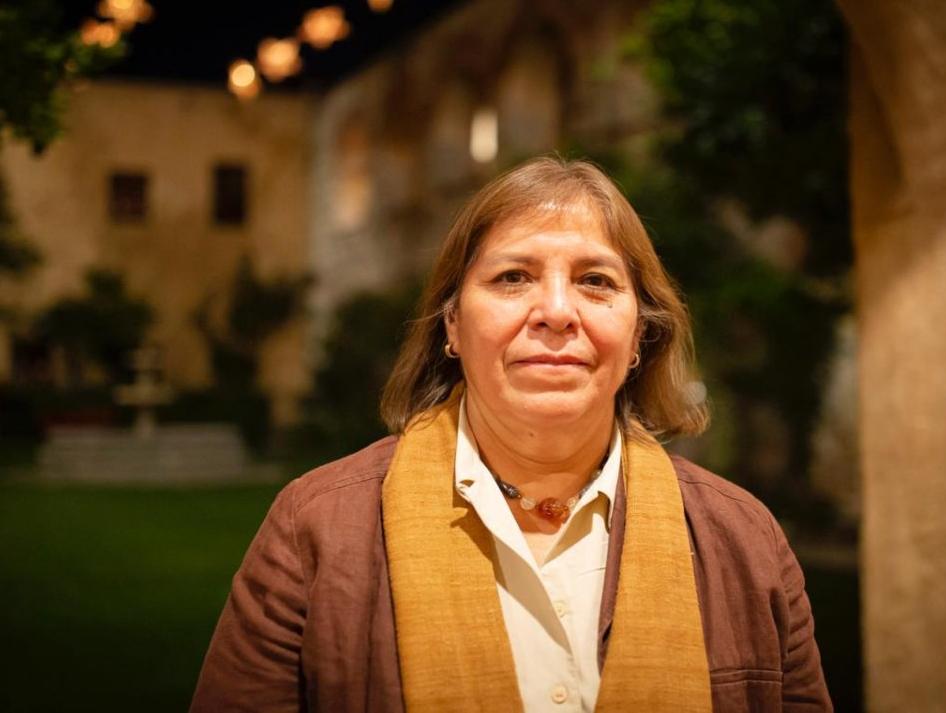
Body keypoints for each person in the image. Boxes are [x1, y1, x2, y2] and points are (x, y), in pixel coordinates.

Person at [190, 156, 832, 712]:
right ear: (452, 326)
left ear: (640, 334)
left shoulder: (745, 540)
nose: (555, 312)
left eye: (596, 281)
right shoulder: (316, 530)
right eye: (512, 278)